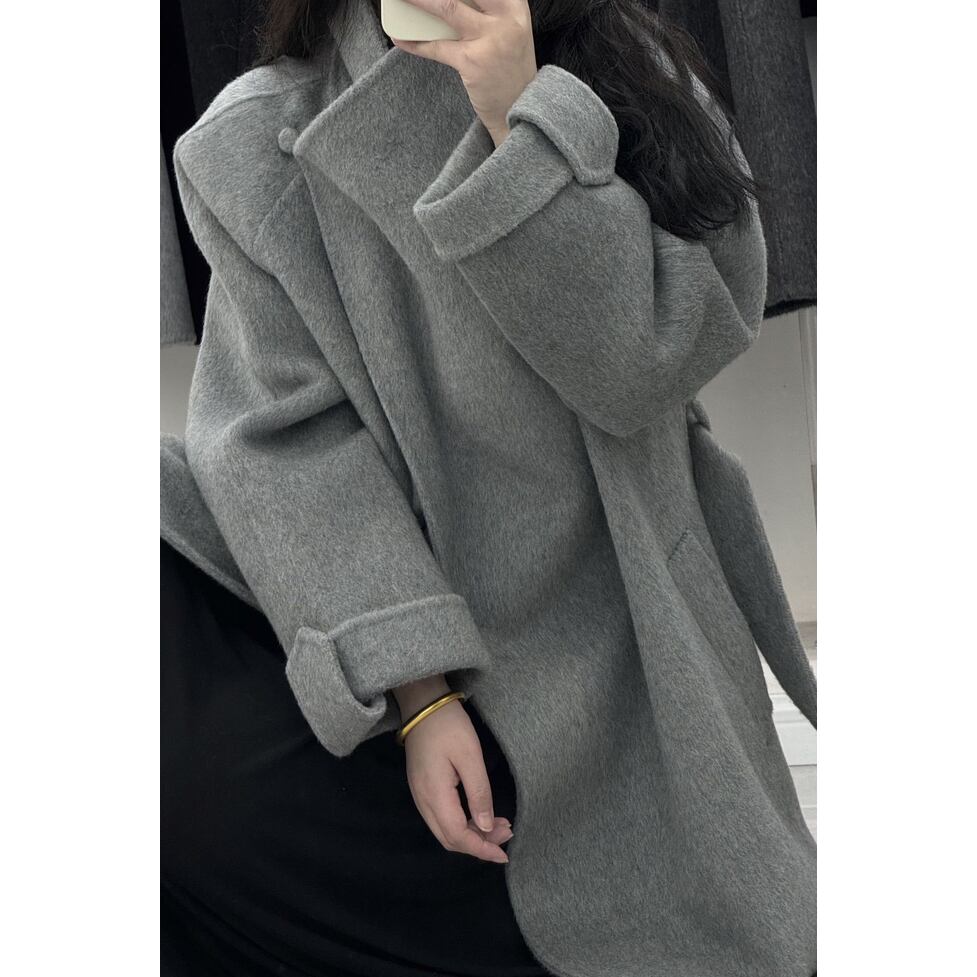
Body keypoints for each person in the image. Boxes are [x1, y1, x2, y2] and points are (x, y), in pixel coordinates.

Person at [161, 0, 817, 974]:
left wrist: (520, 121)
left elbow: (646, 363)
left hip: (613, 649)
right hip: (369, 635)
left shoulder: (624, 65)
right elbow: (288, 439)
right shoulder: (252, 139)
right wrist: (418, 692)